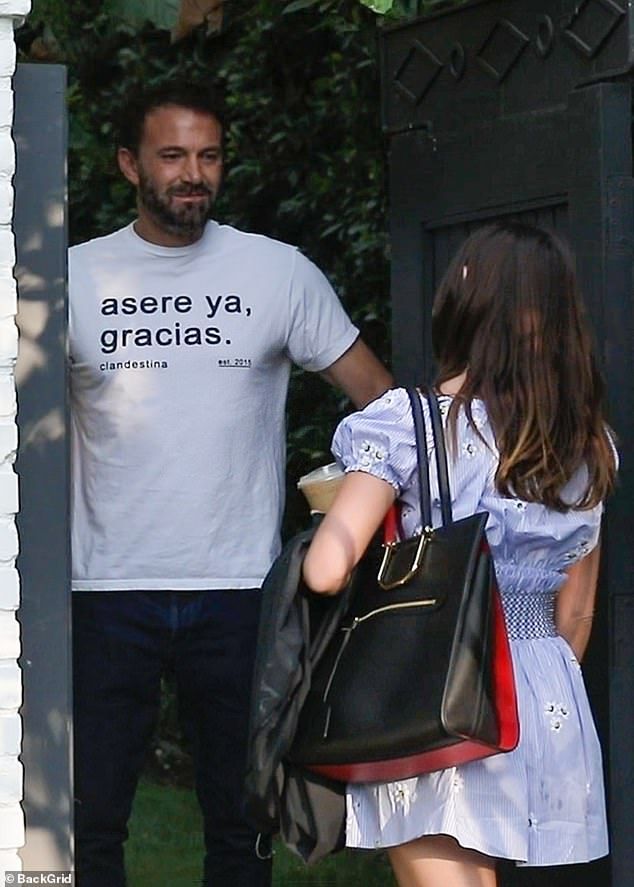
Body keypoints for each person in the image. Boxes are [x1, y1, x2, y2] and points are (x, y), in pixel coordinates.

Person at [68, 80, 392, 887]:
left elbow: (384, 409)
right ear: (127, 164)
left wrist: (341, 506)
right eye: (172, 155)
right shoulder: (67, 279)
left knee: (240, 820)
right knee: (86, 819)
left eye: (208, 156)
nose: (192, 174)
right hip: (104, 585)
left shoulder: (276, 273)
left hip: (242, 589)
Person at [302, 222, 618, 886]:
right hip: (544, 693)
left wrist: (332, 521)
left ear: (466, 294)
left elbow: (327, 568)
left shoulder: (406, 425)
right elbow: (578, 610)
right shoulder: (588, 446)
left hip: (436, 682)